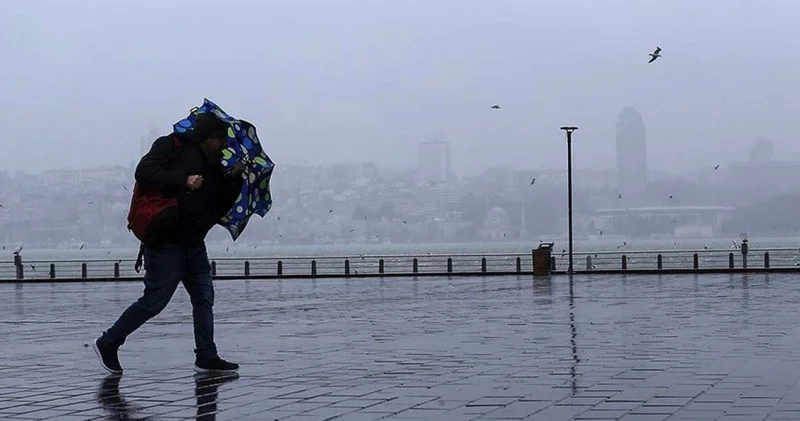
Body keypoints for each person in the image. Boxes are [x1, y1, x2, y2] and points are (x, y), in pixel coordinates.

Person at [93, 113, 244, 374]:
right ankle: (109, 341)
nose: (224, 145)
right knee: (155, 301)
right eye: (221, 140)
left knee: (204, 298)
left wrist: (234, 178)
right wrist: (183, 180)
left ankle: (206, 355)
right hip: (166, 242)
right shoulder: (170, 145)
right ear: (208, 138)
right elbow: (144, 172)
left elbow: (219, 205)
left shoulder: (214, 164)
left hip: (194, 242)